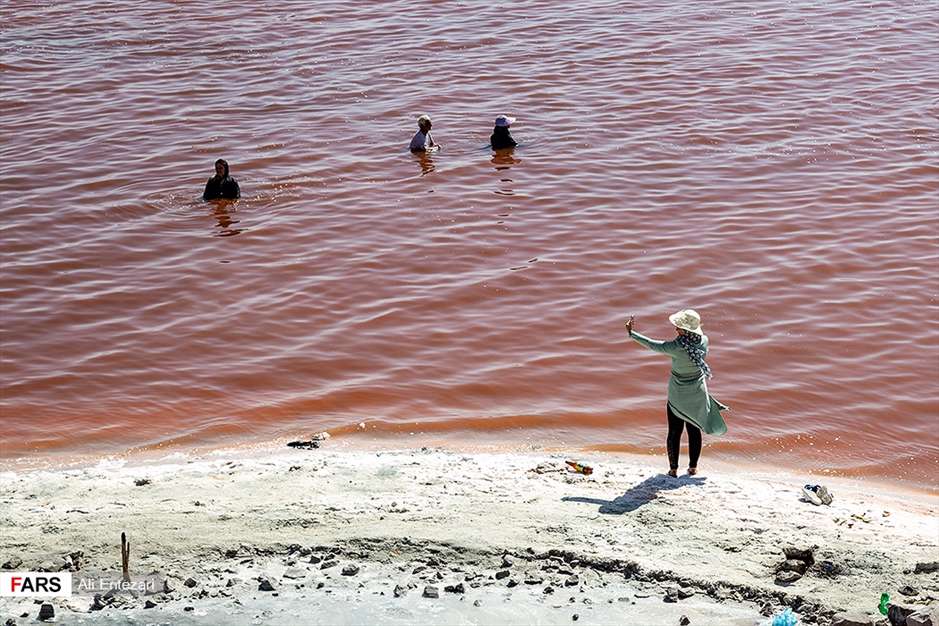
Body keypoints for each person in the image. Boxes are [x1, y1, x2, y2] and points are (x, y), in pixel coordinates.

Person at [624, 309, 728, 477]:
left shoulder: (676, 347)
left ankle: (673, 470)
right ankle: (693, 468)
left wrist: (632, 333)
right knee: (694, 430)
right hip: (698, 394)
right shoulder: (704, 341)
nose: (676, 329)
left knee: (674, 431)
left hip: (678, 395)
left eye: (678, 327)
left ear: (686, 330)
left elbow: (652, 344)